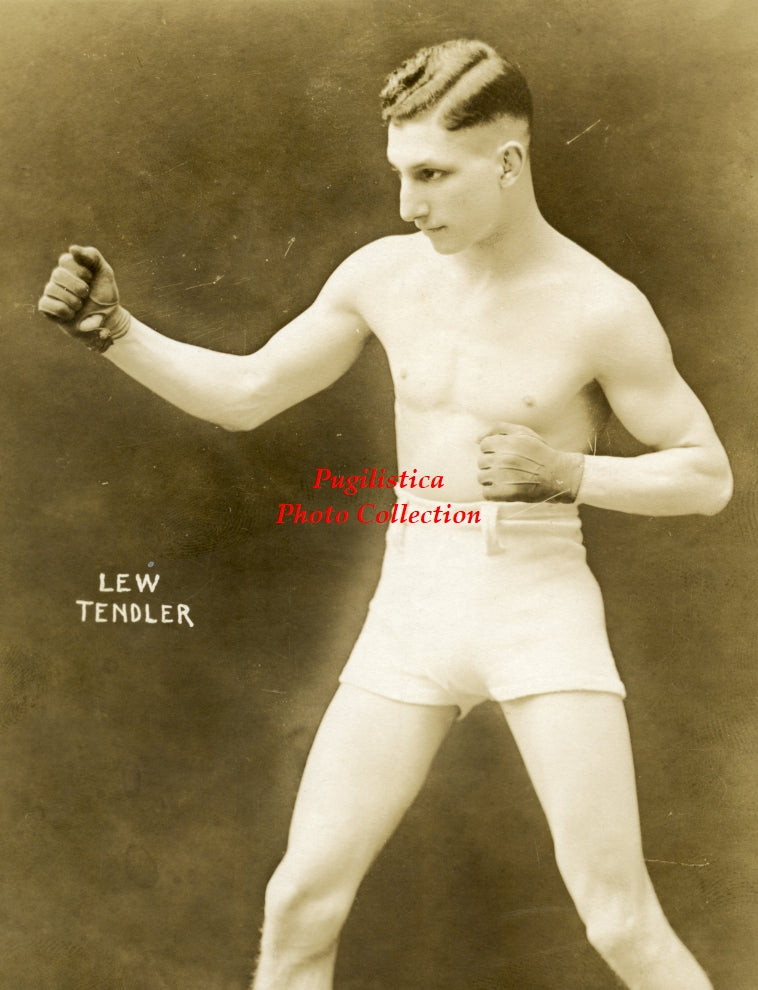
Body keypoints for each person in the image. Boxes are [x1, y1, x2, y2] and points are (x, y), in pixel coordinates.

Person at [39, 39, 731, 990]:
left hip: (537, 611)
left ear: (509, 162)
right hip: (414, 610)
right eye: (402, 175)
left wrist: (570, 473)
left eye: (434, 175)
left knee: (619, 921)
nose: (410, 204)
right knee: (299, 904)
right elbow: (248, 394)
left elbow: (707, 477)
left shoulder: (601, 307)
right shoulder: (383, 274)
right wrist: (115, 334)